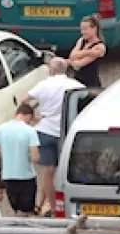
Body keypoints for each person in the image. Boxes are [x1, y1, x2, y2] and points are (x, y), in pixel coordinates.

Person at [26, 57, 84, 217]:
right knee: (66, 171)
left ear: (52, 70)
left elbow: (25, 100)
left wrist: (34, 117)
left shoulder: (43, 84)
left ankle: (53, 208)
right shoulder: (75, 85)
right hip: (66, 133)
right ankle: (64, 204)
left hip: (44, 131)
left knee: (47, 172)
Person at [0, 103, 40, 217]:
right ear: (28, 116)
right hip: (26, 176)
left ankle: (16, 230)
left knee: (16, 210)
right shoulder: (30, 131)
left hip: (8, 176)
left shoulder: (0, 129)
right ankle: (23, 232)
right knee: (25, 212)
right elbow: (35, 158)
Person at [69, 15, 107, 89]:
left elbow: (80, 64)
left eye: (85, 29)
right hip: (77, 82)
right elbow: (72, 56)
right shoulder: (81, 40)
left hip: (91, 84)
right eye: (82, 29)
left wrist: (70, 61)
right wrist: (90, 52)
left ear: (94, 29)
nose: (83, 32)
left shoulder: (100, 46)